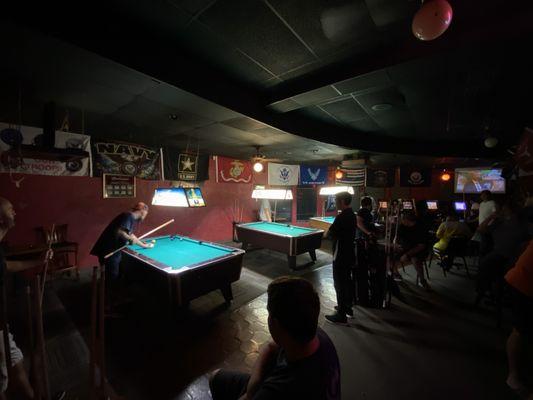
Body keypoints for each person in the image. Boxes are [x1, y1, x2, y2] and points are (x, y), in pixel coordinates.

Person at [209, 276, 340, 400]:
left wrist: (250, 395)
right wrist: (253, 387)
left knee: (215, 378)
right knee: (216, 377)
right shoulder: (316, 334)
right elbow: (270, 346)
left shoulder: (279, 390)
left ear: (275, 323)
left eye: (269, 313)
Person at [0, 197, 64, 400]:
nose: (15, 212)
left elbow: (6, 266)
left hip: (1, 321)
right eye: (10, 210)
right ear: (0, 219)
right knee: (3, 378)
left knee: (15, 363)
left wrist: (37, 260)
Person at [90, 202, 152, 307]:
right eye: (146, 212)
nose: (146, 215)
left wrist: (144, 245)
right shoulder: (128, 216)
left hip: (111, 250)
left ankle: (112, 299)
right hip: (109, 250)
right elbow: (120, 232)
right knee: (112, 278)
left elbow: (130, 234)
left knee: (114, 276)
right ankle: (107, 306)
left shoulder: (130, 218)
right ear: (143, 211)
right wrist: (129, 238)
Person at [476, 200, 529, 303]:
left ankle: (489, 292)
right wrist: (491, 217)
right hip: (516, 258)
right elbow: (480, 229)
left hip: (504, 256)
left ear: (510, 211)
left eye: (504, 210)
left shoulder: (513, 223)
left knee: (484, 265)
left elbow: (480, 229)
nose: (502, 211)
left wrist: (491, 217)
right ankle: (497, 293)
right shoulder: (501, 222)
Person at [504, 240, 533, 398]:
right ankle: (513, 376)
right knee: (520, 331)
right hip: (523, 284)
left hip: (519, 277)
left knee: (522, 331)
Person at [325, 192, 357, 324]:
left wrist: (330, 232)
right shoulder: (352, 215)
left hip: (340, 254)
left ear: (343, 201)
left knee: (339, 283)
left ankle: (341, 315)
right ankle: (347, 307)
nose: (336, 202)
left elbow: (330, 234)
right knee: (347, 281)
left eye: (337, 200)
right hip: (349, 253)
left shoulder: (342, 216)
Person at [394, 212, 431, 290]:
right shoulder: (402, 226)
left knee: (415, 260)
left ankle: (422, 280)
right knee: (388, 255)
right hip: (405, 248)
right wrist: (396, 243)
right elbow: (397, 237)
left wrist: (407, 255)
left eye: (402, 219)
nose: (401, 220)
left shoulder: (421, 228)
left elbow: (421, 246)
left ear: (407, 220)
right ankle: (396, 274)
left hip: (418, 250)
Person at [354, 197, 376, 306]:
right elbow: (358, 222)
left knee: (365, 263)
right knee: (362, 264)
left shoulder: (366, 212)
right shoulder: (363, 211)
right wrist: (368, 233)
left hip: (364, 239)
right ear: (369, 203)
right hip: (362, 240)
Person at [478, 190, 497, 256]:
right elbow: (481, 215)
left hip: (488, 226)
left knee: (486, 243)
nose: (482, 196)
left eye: (483, 195)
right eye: (481, 195)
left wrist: (486, 223)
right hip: (481, 226)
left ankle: (486, 257)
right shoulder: (481, 204)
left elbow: (495, 214)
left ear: (487, 195)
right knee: (483, 243)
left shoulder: (492, 203)